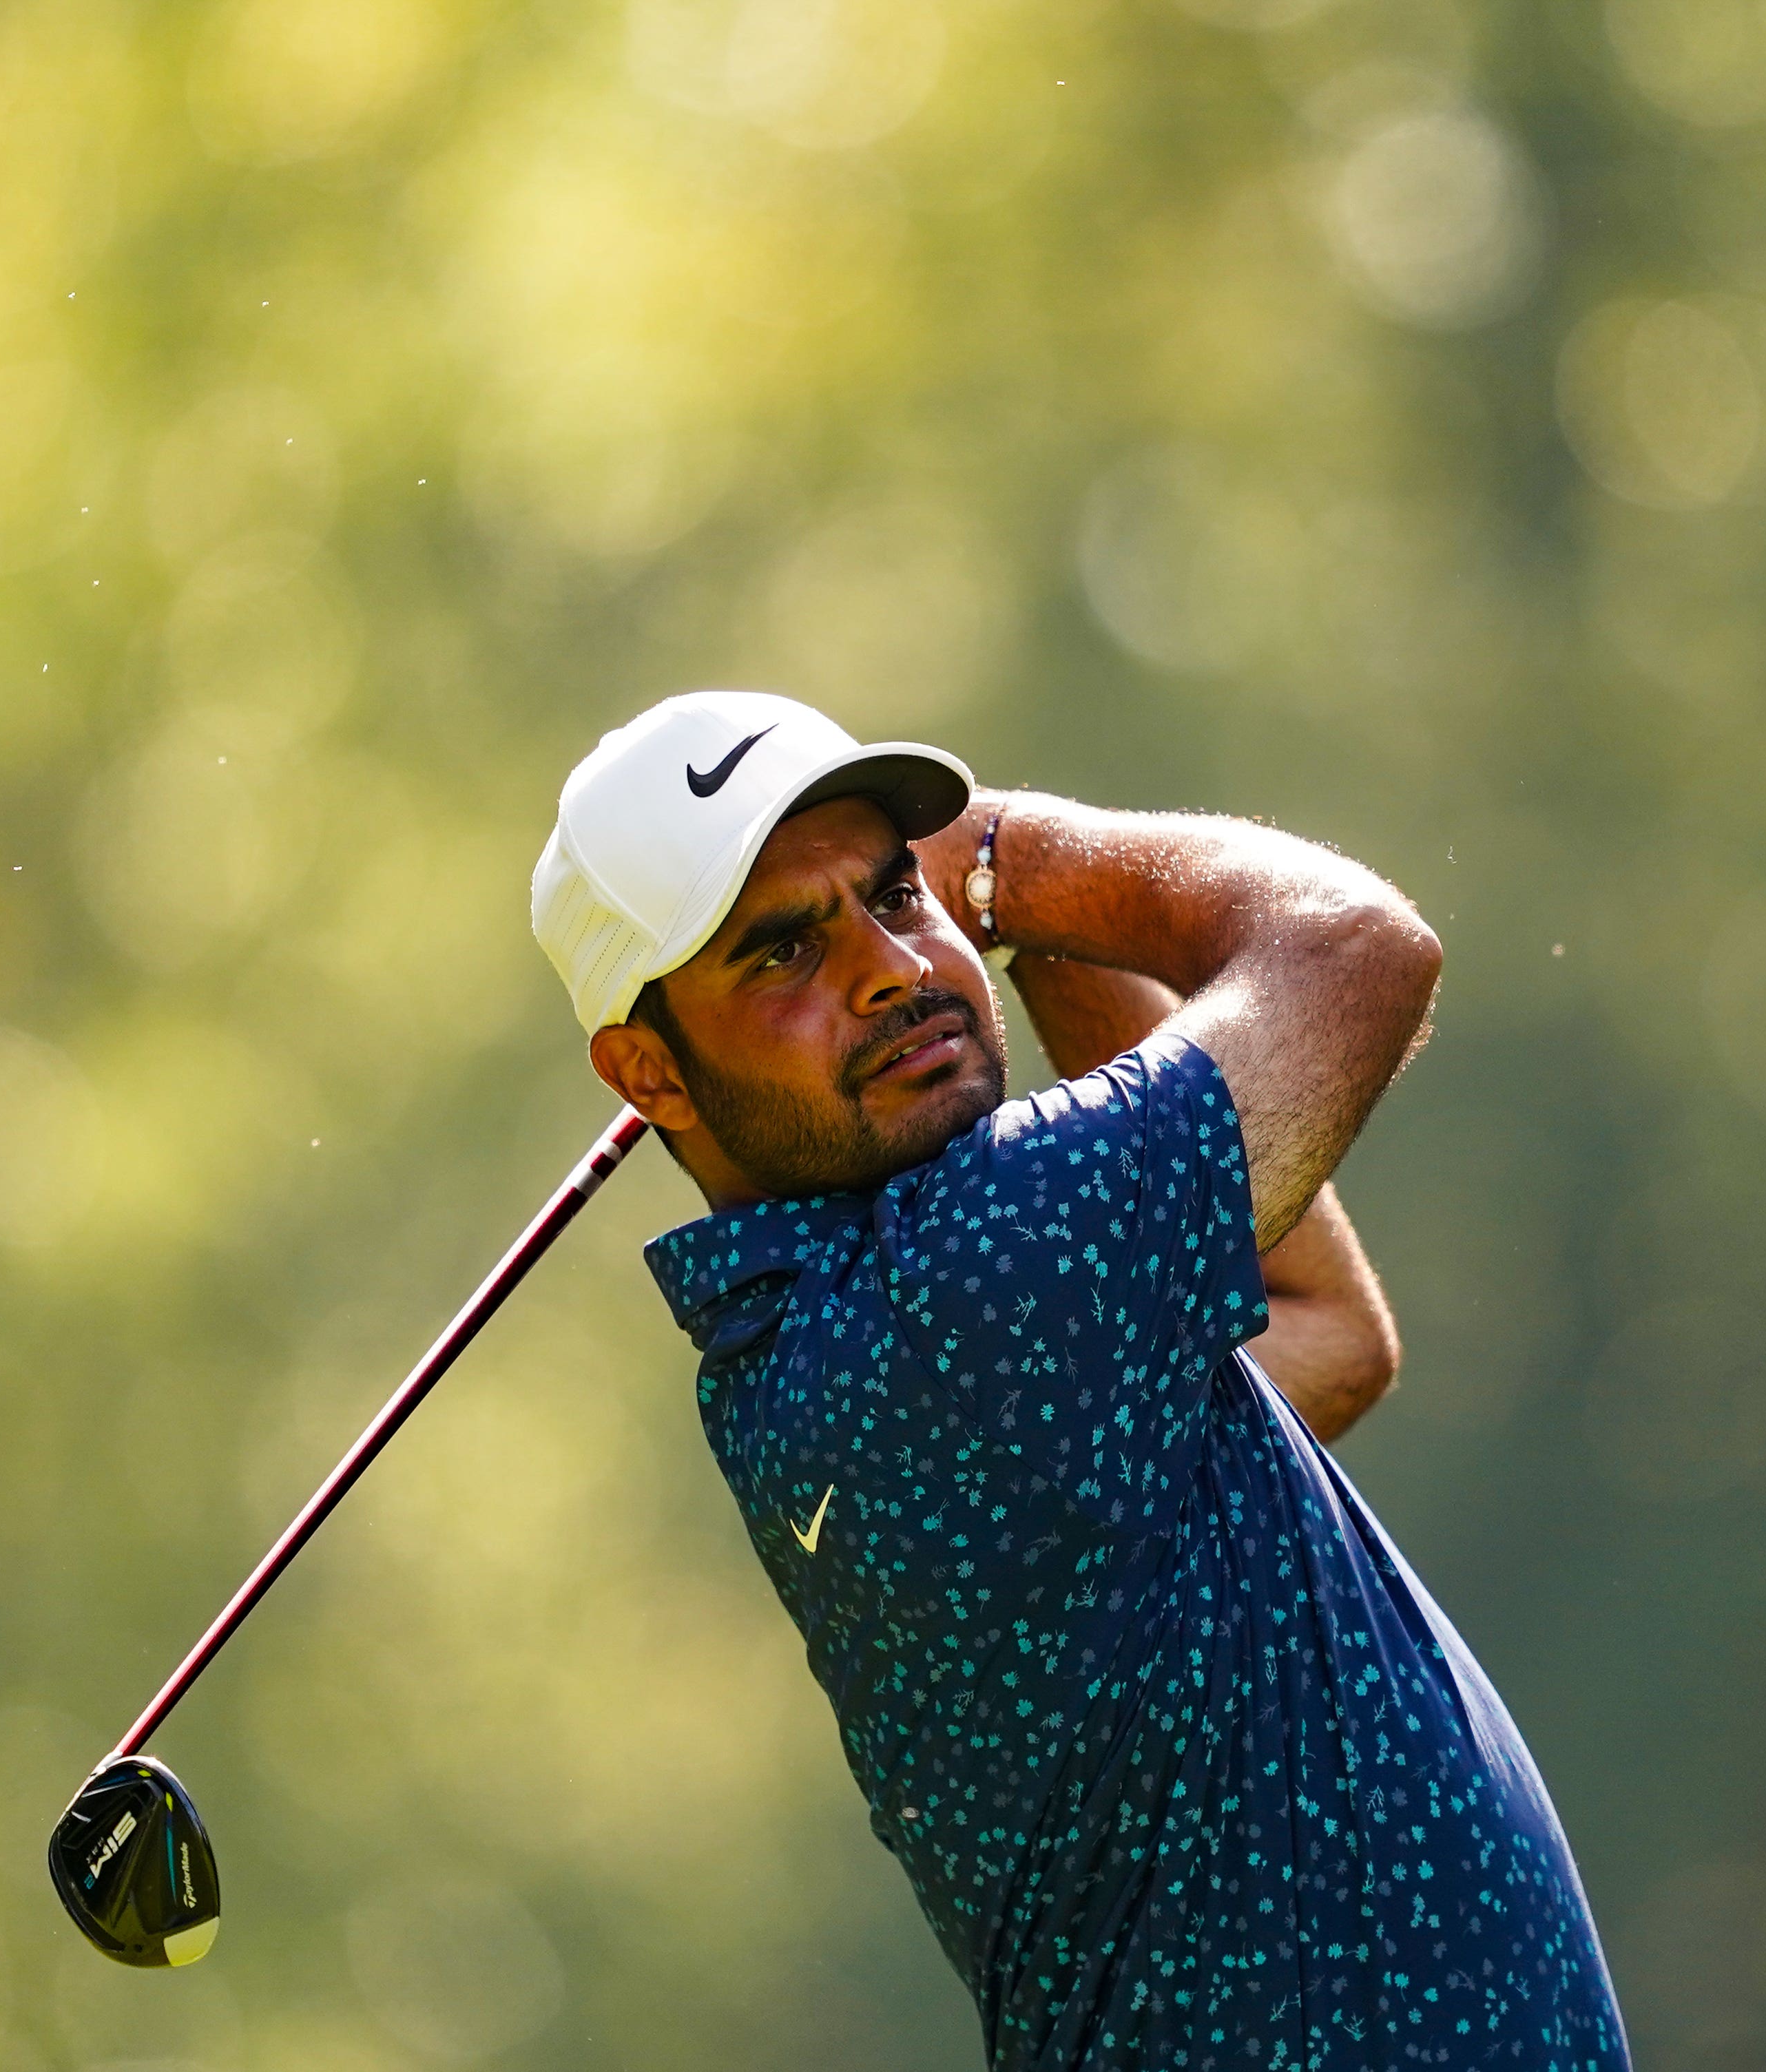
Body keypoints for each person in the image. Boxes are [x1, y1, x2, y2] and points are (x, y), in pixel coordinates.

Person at [530, 691, 1630, 2070]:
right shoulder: (967, 1281)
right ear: (649, 1073)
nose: (889, 966)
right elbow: (1356, 947)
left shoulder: (824, 1340)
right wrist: (1008, 860)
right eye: (784, 950)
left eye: (895, 893)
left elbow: (1323, 1334)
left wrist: (1019, 927)